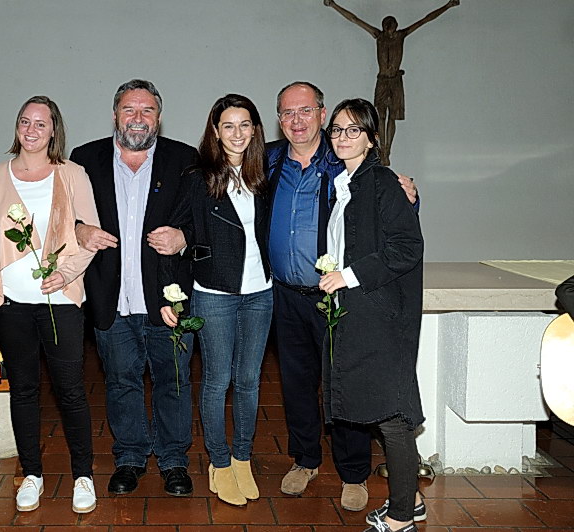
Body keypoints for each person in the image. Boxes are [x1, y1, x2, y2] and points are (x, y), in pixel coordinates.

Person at [267, 81, 418, 512]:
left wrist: (411, 195)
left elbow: (390, 219)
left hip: (335, 295)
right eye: (287, 112)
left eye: (305, 110)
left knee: (346, 383)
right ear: (279, 120)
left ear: (321, 113)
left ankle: (353, 473)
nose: (296, 120)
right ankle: (305, 459)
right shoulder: (269, 161)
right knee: (296, 384)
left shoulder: (344, 161)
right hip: (285, 294)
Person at [69, 79, 198, 496]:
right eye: (129, 110)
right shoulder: (84, 159)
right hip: (111, 297)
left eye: (147, 111)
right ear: (115, 115)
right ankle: (129, 457)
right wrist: (79, 229)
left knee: (173, 380)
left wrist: (184, 237)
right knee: (121, 380)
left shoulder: (185, 159)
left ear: (159, 117)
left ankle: (174, 460)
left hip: (168, 299)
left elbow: (205, 218)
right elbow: (59, 214)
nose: (138, 118)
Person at [0, 96, 101, 514]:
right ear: (16, 126)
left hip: (61, 303)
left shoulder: (72, 174)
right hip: (12, 305)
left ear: (54, 130)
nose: (31, 130)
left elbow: (91, 234)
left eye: (41, 123)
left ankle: (83, 475)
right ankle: (32, 474)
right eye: (25, 121)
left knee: (70, 390)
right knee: (23, 391)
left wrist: (66, 273)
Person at [160, 94, 272, 506]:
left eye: (245, 125)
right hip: (214, 294)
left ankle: (242, 457)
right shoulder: (198, 177)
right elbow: (174, 235)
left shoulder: (265, 174)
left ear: (255, 130)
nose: (237, 133)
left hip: (261, 293)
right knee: (217, 380)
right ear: (215, 130)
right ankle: (219, 463)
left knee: (249, 381)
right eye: (228, 125)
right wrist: (170, 293)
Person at [318, 98, 424, 532]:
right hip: (356, 313)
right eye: (337, 130)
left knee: (392, 415)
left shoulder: (381, 182)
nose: (343, 137)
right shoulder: (345, 184)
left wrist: (347, 276)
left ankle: (401, 518)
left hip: (381, 315)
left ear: (372, 139)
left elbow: (406, 247)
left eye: (353, 130)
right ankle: (412, 500)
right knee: (378, 409)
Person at [324, 0, 460, 165]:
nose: (390, 27)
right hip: (382, 79)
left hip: (395, 81)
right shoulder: (379, 36)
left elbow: (425, 19)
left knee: (392, 117)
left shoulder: (401, 36)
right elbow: (354, 19)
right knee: (380, 116)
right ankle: (382, 149)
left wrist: (447, 6)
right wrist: (334, 5)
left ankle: (387, 150)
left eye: (392, 24)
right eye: (387, 24)